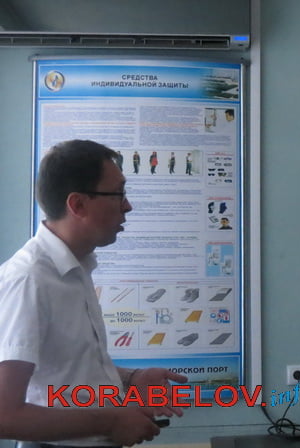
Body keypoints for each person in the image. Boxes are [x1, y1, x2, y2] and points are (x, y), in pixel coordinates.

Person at [0, 140, 187, 447]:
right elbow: (5, 416)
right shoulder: (29, 279)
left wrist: (131, 378)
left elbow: (66, 366)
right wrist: (112, 421)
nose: (127, 206)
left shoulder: (76, 268)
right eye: (118, 194)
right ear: (78, 205)